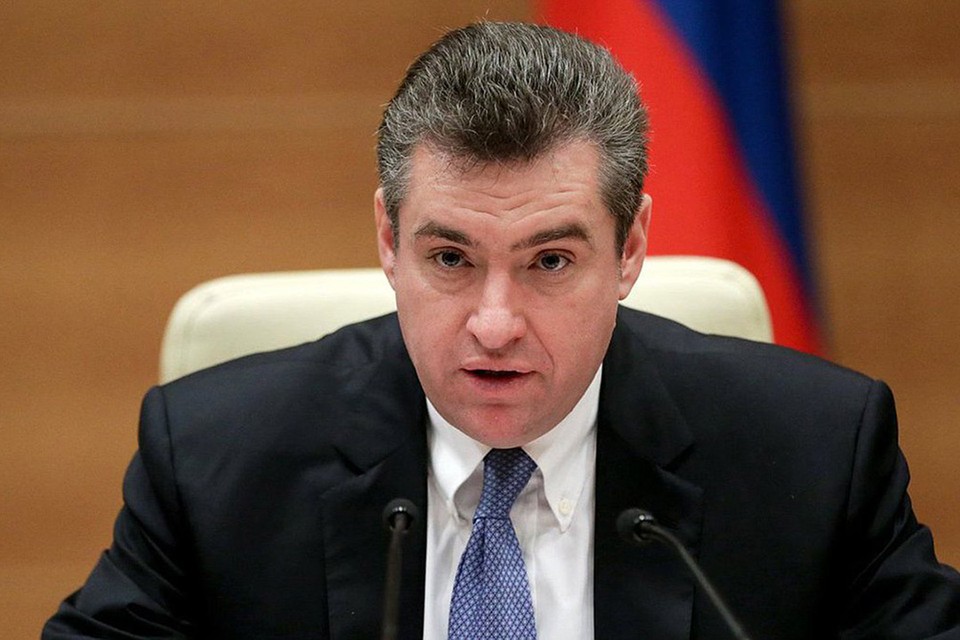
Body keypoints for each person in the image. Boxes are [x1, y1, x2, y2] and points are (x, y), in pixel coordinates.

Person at [44, 21, 960, 640]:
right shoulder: (216, 459)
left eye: (549, 261)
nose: (493, 324)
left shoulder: (812, 452)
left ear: (630, 248)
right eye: (450, 258)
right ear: (388, 240)